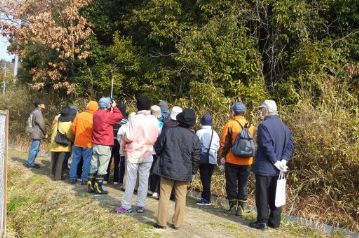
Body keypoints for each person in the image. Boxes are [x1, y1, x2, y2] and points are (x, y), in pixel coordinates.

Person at [153, 109, 201, 229]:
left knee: (164, 194)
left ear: (179, 119)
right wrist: (193, 171)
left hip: (167, 167)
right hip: (184, 171)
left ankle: (161, 222)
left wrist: (161, 156)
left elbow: (158, 147)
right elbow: (196, 157)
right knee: (181, 197)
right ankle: (177, 223)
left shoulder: (168, 131)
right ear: (192, 123)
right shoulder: (194, 138)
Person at [250, 100, 293, 230]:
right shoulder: (284, 126)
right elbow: (290, 146)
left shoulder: (264, 125)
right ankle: (274, 222)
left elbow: (266, 145)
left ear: (267, 110)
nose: (260, 111)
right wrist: (283, 160)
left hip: (265, 166)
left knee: (262, 194)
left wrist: (275, 161)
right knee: (276, 194)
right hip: (279, 169)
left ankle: (262, 221)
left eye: (261, 109)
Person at [116, 96, 160, 214]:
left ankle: (126, 206)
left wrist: (124, 141)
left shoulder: (134, 119)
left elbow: (129, 136)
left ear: (138, 106)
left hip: (134, 152)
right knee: (144, 180)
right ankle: (141, 205)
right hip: (148, 152)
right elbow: (156, 137)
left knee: (131, 180)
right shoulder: (154, 120)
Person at [219, 102, 256, 216]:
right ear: (244, 112)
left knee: (231, 183)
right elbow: (254, 143)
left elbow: (224, 143)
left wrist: (222, 156)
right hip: (247, 161)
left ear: (233, 112)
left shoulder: (230, 124)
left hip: (232, 159)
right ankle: (241, 208)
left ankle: (232, 207)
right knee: (243, 184)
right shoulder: (251, 126)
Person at [87, 97, 123, 194]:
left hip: (96, 143)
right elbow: (119, 116)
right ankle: (99, 187)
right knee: (102, 167)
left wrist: (110, 108)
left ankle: (90, 185)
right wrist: (114, 107)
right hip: (104, 143)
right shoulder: (107, 115)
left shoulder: (95, 113)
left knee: (94, 165)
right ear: (108, 105)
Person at [69, 101, 99, 184]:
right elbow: (95, 131)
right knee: (87, 161)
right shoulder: (94, 118)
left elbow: (73, 127)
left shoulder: (79, 115)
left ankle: (72, 177)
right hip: (88, 143)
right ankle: (84, 179)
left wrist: (77, 134)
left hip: (77, 141)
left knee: (75, 160)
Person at [196, 113, 220, 205]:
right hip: (212, 158)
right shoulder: (215, 133)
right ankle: (205, 197)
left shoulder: (199, 132)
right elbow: (217, 146)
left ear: (202, 122)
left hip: (202, 158)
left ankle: (206, 199)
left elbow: (196, 145)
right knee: (208, 178)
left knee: (204, 179)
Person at [50, 106, 76, 180]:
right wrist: (71, 141)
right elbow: (69, 135)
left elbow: (52, 129)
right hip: (63, 144)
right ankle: (58, 177)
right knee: (60, 161)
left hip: (54, 142)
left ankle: (53, 174)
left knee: (54, 160)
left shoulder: (56, 120)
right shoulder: (68, 123)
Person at [104, 103, 128, 185]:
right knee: (117, 161)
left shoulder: (112, 118)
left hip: (110, 141)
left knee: (108, 160)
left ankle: (105, 178)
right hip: (119, 143)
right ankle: (116, 179)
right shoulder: (125, 120)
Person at [25, 99, 47, 169]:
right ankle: (30, 164)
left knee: (34, 149)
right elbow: (42, 124)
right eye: (43, 103)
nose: (44, 104)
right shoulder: (38, 112)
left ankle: (31, 163)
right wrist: (45, 133)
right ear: (39, 105)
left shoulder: (34, 112)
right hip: (36, 133)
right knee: (34, 149)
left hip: (34, 133)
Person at [148, 105, 164, 199]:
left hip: (143, 149)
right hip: (154, 151)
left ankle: (143, 188)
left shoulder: (145, 122)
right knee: (154, 171)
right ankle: (153, 189)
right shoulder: (160, 124)